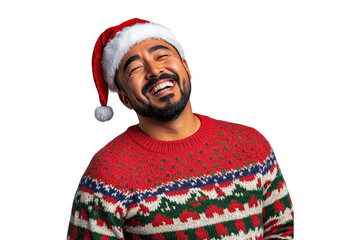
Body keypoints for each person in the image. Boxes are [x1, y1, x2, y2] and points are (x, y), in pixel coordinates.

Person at [67, 18, 294, 240]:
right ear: (125, 99)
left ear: (186, 68)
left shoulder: (250, 145)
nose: (154, 70)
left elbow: (281, 229)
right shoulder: (106, 175)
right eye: (135, 68)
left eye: (162, 56)